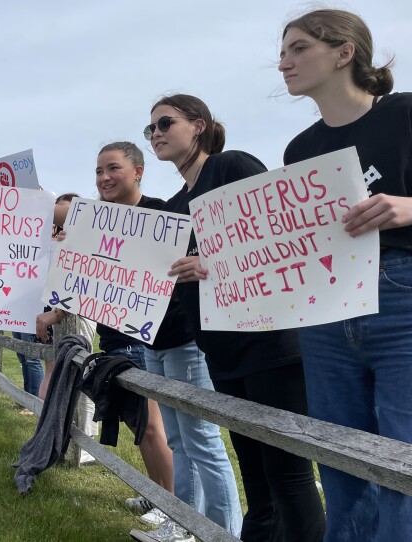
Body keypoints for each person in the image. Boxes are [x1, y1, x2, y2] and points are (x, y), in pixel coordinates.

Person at [40, 143, 241, 541]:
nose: (104, 178)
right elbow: (57, 211)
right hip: (151, 345)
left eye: (113, 168)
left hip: (183, 341)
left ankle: (221, 532)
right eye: (98, 171)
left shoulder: (162, 212)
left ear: (138, 171)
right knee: (180, 441)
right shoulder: (99, 221)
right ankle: (183, 523)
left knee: (201, 442)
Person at [148, 93, 325, 542]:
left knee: (289, 474)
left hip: (270, 345)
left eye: (165, 123)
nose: (156, 135)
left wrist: (212, 262)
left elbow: (281, 234)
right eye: (150, 129)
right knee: (257, 477)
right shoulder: (172, 208)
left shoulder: (232, 167)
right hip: (220, 353)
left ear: (200, 125)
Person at [279, 9, 412, 541]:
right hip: (326, 309)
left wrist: (409, 208)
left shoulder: (403, 113)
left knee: (402, 459)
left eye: (299, 48)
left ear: (344, 52)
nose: (284, 63)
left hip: (401, 296)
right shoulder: (299, 151)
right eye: (282, 53)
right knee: (338, 456)